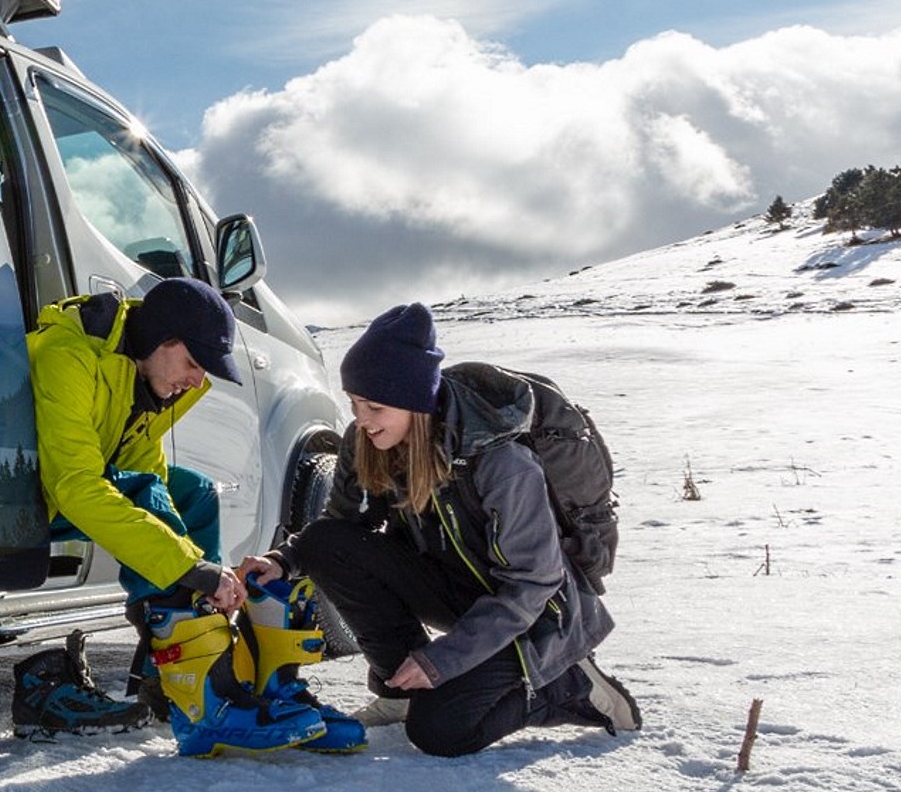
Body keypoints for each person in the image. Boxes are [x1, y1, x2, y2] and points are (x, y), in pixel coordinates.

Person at [240, 303, 642, 757]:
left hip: (535, 616)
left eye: (375, 405)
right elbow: (338, 528)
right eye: (354, 402)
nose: (362, 418)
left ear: (417, 402)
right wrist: (284, 560)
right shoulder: (368, 441)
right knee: (324, 543)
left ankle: (565, 688)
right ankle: (399, 690)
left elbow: (533, 584)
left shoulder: (503, 465)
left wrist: (443, 661)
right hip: (460, 592)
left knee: (441, 732)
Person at [10, 277, 359, 756]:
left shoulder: (145, 381)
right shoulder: (68, 356)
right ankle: (206, 703)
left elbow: (147, 476)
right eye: (194, 363)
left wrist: (204, 576)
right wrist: (193, 570)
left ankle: (188, 669)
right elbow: (75, 485)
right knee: (150, 498)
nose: (198, 381)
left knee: (193, 492)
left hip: (69, 489)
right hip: (24, 497)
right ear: (162, 341)